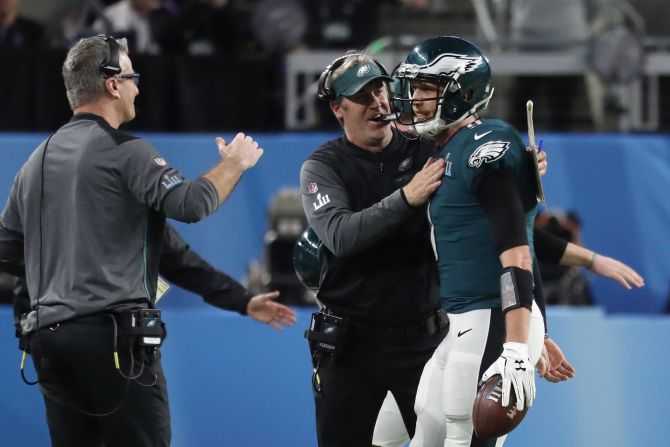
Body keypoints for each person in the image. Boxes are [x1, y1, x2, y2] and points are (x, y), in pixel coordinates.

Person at [0, 35, 263, 446]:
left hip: (50, 343)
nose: (137, 87)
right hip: (113, 341)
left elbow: (8, 251)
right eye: (132, 77)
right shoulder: (126, 152)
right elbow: (191, 204)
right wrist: (233, 164)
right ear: (111, 84)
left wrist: (67, 270)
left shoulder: (34, 163)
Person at [391, 35, 550, 446]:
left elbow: (517, 251)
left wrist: (517, 346)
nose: (415, 98)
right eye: (415, 87)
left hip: (492, 317)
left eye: (427, 88)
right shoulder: (447, 148)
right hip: (460, 318)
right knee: (427, 427)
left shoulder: (485, 146)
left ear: (462, 94)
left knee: (464, 437)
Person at [370, 226, 644, 446]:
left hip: (485, 322)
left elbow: (521, 242)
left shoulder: (479, 165)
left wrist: (531, 333)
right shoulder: (424, 174)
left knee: (467, 434)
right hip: (432, 328)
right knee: (387, 435)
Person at [299, 51, 450, 447]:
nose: (378, 102)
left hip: (423, 342)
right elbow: (340, 236)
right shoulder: (323, 167)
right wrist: (407, 197)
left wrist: (518, 170)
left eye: (380, 89)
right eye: (362, 96)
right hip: (351, 347)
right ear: (338, 108)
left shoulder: (425, 149)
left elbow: (477, 185)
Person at [13, 222, 297, 349]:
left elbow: (17, 254)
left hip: (55, 342)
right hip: (116, 347)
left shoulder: (44, 176)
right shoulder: (133, 177)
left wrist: (24, 322)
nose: (136, 94)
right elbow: (181, 261)